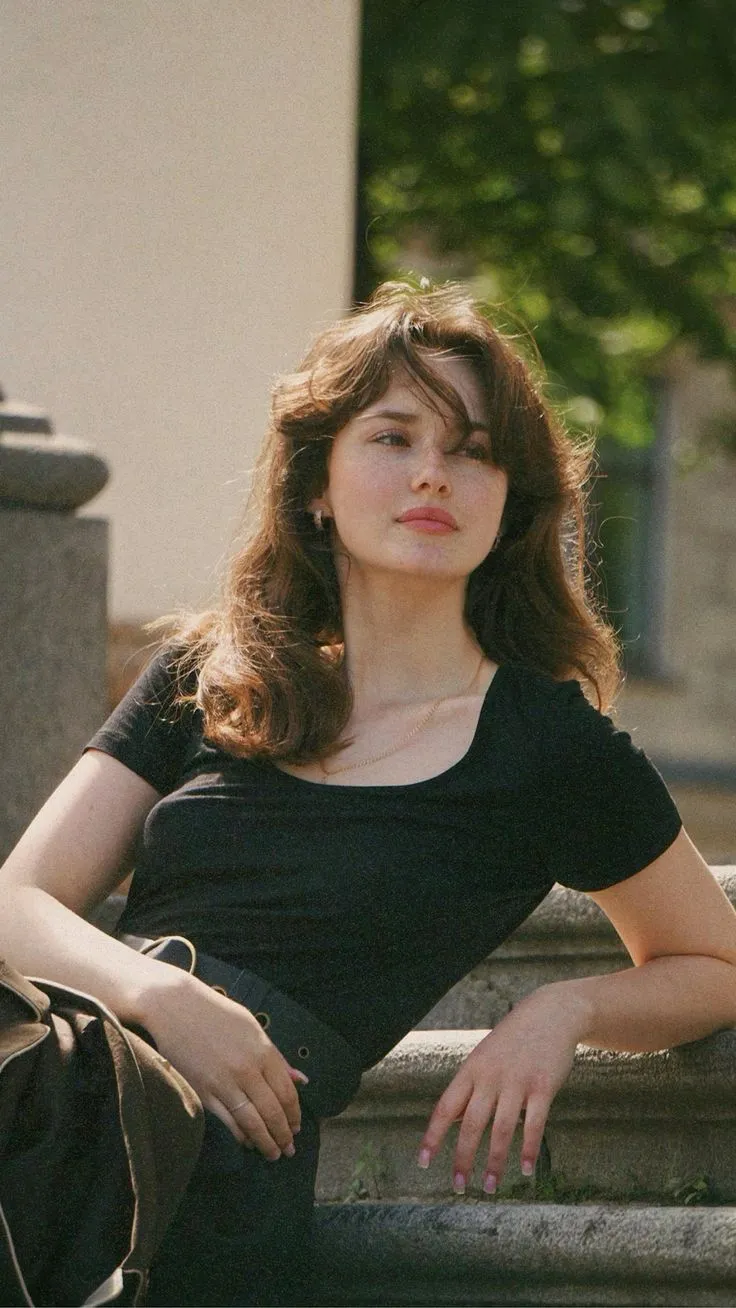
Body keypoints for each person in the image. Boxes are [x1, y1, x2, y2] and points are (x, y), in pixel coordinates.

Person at [2, 278, 736, 1306]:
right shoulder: (211, 674)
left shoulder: (546, 744)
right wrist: (162, 995)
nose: (432, 473)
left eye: (473, 450)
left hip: (203, 1172)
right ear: (317, 484)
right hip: (69, 1082)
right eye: (394, 438)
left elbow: (715, 962)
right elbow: (17, 902)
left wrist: (562, 1007)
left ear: (508, 505)